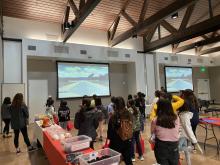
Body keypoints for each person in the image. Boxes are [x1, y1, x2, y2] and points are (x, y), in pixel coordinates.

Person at [150, 99, 180, 165]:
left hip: (161, 146)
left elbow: (152, 132)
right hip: (174, 144)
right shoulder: (176, 118)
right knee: (174, 162)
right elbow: (177, 130)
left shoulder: (155, 119)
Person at [107, 97, 133, 165]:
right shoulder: (129, 114)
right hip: (127, 141)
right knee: (128, 161)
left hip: (116, 143)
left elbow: (110, 134)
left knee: (114, 162)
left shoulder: (113, 117)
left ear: (115, 105)